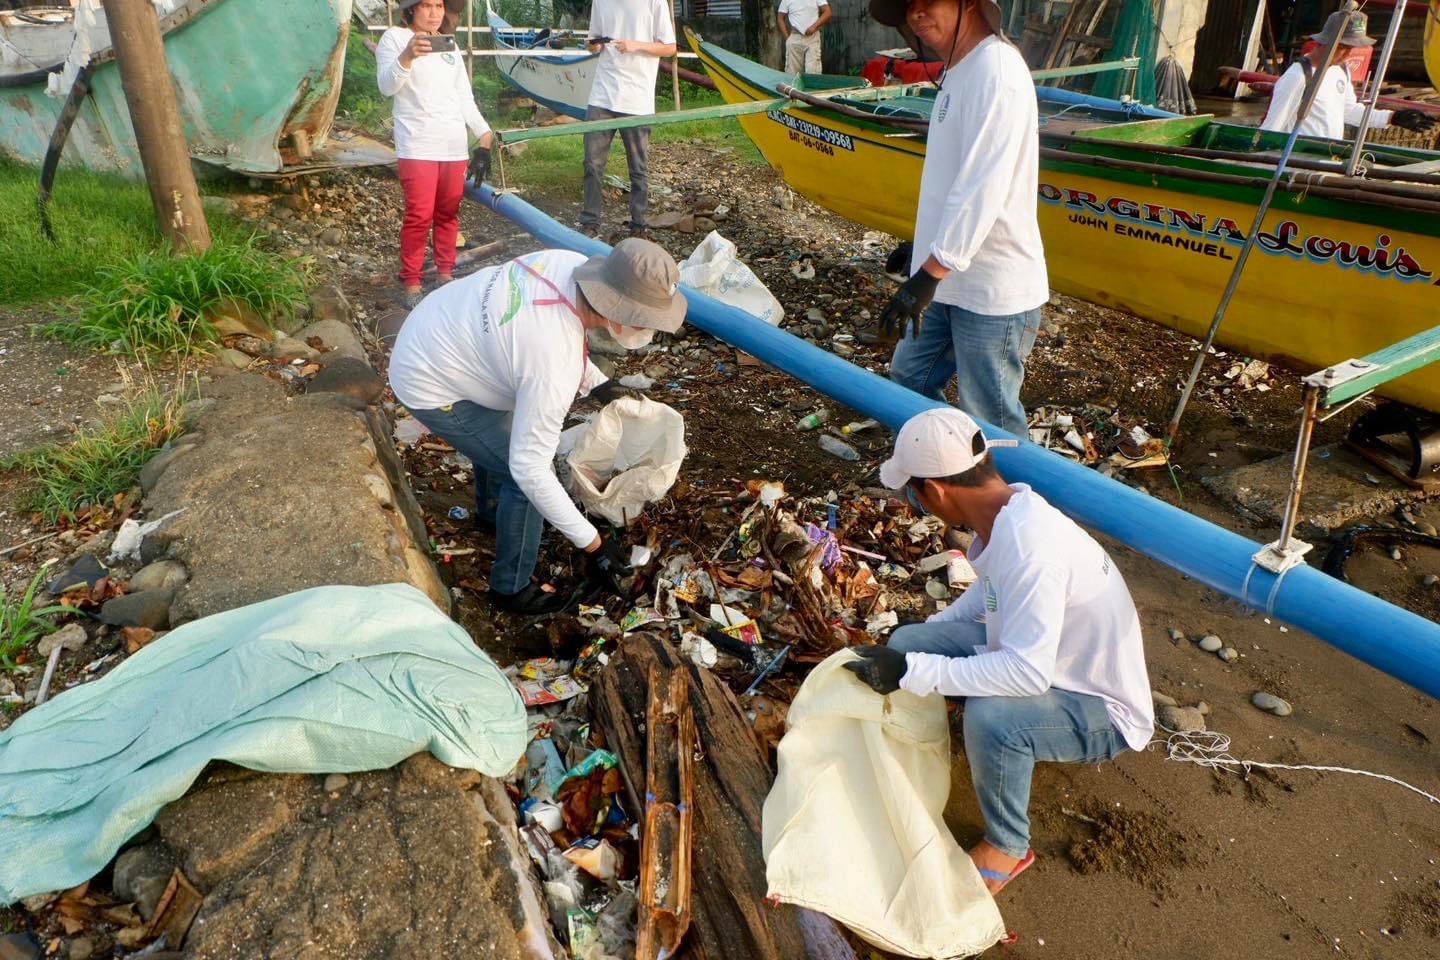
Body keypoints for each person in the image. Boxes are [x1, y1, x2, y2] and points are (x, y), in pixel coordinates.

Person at [844, 408, 1153, 895]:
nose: (915, 502)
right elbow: (982, 599)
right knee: (907, 641)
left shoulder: (1032, 548)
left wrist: (917, 672)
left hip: (1096, 707)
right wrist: (915, 651)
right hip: (1040, 660)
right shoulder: (1006, 515)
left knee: (992, 717)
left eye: (913, 492)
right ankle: (932, 734)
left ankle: (1008, 845)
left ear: (938, 491)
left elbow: (1026, 675)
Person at [387, 239, 688, 615]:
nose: (647, 331)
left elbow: (549, 338)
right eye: (644, 322)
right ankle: (511, 589)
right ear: (617, 310)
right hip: (430, 380)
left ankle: (492, 511)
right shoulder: (551, 361)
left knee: (505, 438)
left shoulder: (568, 265)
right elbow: (529, 468)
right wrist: (593, 545)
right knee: (526, 478)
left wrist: (597, 383)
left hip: (445, 330)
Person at [866, 0, 1048, 437]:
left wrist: (929, 271)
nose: (916, 14)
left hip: (992, 290)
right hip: (949, 278)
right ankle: (939, 479)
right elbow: (954, 181)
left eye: (928, 2)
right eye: (908, 8)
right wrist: (923, 247)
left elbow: (984, 186)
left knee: (993, 418)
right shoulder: (958, 71)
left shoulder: (996, 70)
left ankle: (1010, 502)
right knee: (909, 381)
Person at [376, 0, 496, 308]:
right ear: (411, 10)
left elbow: (463, 97)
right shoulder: (394, 38)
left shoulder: (449, 47)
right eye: (426, 5)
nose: (434, 13)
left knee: (447, 212)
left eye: (439, 5)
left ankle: (445, 273)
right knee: (419, 214)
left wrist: (483, 134)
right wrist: (407, 56)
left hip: (452, 145)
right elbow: (387, 87)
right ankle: (412, 280)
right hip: (417, 143)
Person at [580, 0, 677, 239]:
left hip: (637, 98)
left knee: (638, 168)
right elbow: (593, 42)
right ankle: (589, 223)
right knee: (592, 163)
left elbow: (670, 47)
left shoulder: (655, 2)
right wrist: (592, 46)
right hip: (602, 94)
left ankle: (639, 224)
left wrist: (636, 45)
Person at [1260, 10, 1434, 140]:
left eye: (1351, 49)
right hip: (1297, 163)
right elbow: (1271, 128)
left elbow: (1349, 111)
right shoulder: (1297, 77)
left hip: (1327, 157)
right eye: (1343, 47)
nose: (1347, 55)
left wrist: (1392, 118)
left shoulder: (1341, 71)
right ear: (1324, 42)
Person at [777, 0, 831, 74]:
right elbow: (780, 18)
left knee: (813, 72)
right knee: (792, 74)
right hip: (795, 37)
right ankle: (794, 86)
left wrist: (814, 27)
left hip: (813, 37)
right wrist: (787, 39)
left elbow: (827, 12)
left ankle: (812, 85)